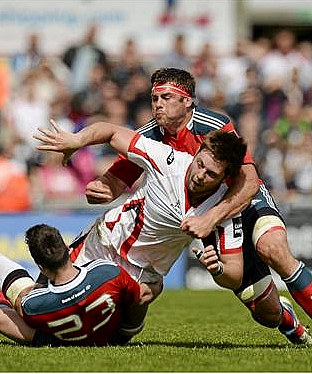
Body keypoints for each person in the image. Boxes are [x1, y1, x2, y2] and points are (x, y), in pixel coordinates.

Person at [85, 67, 312, 350]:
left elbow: (249, 181)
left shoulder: (213, 124)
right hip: (205, 218)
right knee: (266, 312)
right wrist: (102, 189)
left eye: (165, 97)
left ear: (187, 100)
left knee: (272, 247)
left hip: (243, 199)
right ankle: (287, 319)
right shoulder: (149, 136)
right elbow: (115, 182)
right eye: (154, 98)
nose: (157, 104)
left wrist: (209, 218)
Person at [33, 121, 251, 336]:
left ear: (225, 178)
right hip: (105, 243)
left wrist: (217, 268)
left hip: (142, 274)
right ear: (197, 152)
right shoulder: (168, 161)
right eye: (200, 164)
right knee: (44, 304)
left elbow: (235, 274)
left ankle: (126, 327)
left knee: (117, 334)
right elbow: (112, 132)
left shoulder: (223, 209)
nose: (200, 175)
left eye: (211, 174)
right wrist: (77, 140)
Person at [0, 225, 144, 346]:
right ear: (68, 250)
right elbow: (139, 299)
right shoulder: (107, 271)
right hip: (112, 334)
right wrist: (128, 332)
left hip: (58, 338)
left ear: (40, 266)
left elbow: (25, 298)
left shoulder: (34, 303)